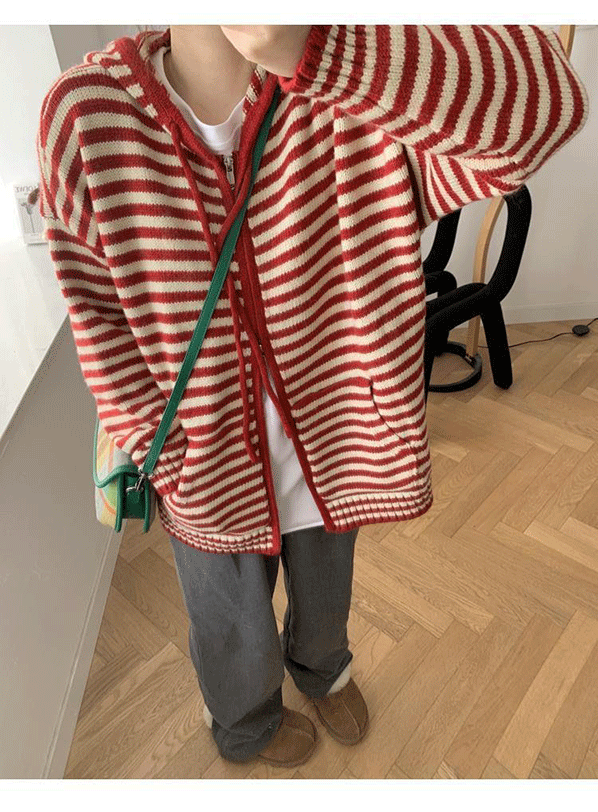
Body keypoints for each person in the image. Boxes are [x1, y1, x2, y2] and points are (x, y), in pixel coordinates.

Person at [36, 24, 588, 769]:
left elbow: (549, 107)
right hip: (201, 462)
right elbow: (94, 310)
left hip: (341, 436)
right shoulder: (85, 116)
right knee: (228, 617)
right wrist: (153, 443)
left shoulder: (352, 92)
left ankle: (322, 669)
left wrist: (323, 49)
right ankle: (245, 720)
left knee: (329, 586)